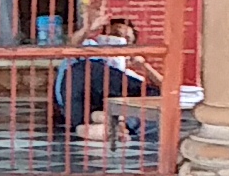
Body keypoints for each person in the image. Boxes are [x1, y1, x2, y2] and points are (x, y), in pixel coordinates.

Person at [53, 9, 163, 142]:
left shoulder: (124, 76)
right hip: (75, 85)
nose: (118, 40)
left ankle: (114, 127)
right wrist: (86, 29)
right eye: (115, 34)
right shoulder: (91, 47)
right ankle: (122, 123)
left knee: (82, 124)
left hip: (85, 106)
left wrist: (144, 66)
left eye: (125, 39)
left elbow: (165, 88)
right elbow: (72, 46)